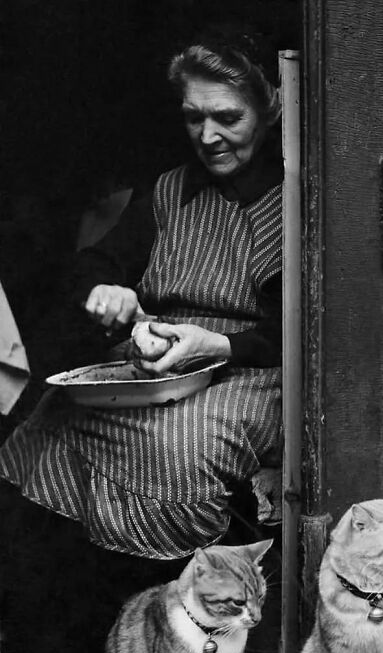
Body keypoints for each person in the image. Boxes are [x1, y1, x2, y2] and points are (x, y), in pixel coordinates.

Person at [0, 37, 284, 560]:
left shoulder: (301, 200)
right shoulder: (169, 190)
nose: (209, 136)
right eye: (194, 117)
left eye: (227, 117)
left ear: (271, 110)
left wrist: (218, 345)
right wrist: (109, 293)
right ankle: (81, 595)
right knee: (54, 410)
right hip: (159, 359)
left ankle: (181, 592)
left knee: (175, 446)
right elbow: (95, 262)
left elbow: (302, 335)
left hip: (254, 368)